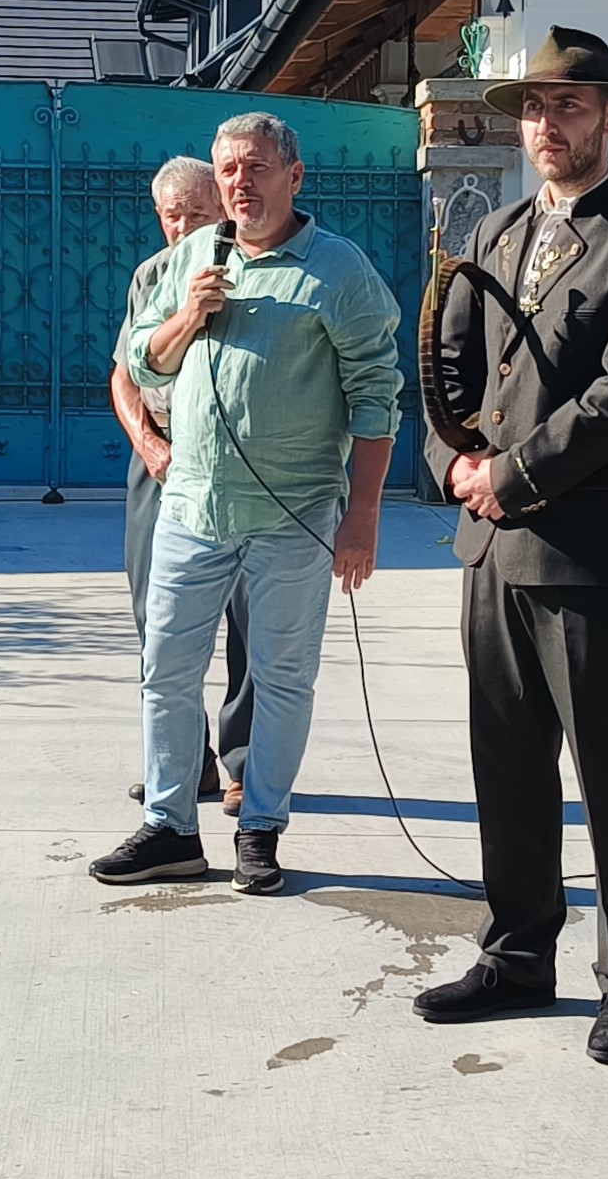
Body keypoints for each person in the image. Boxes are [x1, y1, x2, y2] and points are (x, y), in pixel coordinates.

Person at [413, 26, 608, 1065]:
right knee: (506, 764)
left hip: (587, 553)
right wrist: (455, 462)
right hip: (490, 545)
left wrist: (514, 474)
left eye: (568, 106)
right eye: (533, 107)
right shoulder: (494, 231)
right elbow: (447, 362)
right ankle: (517, 950)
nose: (546, 124)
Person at [91, 112, 403, 896]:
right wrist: (187, 315)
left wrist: (362, 518)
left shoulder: (338, 269)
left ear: (293, 177)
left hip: (293, 516)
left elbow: (375, 397)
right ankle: (170, 828)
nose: (240, 182)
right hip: (192, 507)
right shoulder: (193, 255)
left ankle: (260, 826)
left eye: (256, 167)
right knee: (165, 671)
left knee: (281, 676)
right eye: (228, 169)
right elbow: (142, 364)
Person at [112, 157, 252, 813]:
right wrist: (149, 445)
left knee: (250, 618)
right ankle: (184, 761)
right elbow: (124, 372)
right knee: (157, 615)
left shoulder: (250, 268)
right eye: (173, 216)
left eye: (196, 214)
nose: (183, 227)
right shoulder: (151, 275)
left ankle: (245, 764)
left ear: (221, 209)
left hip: (240, 462)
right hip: (162, 458)